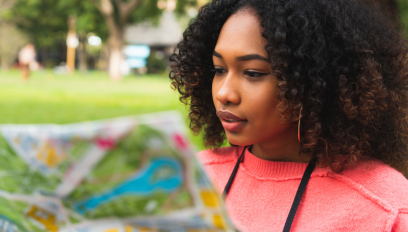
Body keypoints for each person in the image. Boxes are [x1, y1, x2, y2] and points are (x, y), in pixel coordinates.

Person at [168, 0, 408, 231]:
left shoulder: (386, 209)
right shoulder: (185, 179)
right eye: (219, 70)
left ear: (314, 81)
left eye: (252, 73)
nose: (224, 93)